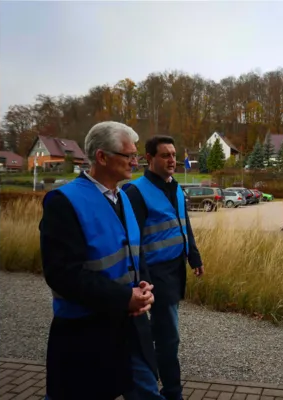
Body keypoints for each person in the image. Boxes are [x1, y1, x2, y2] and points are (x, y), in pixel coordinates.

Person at [40, 121, 165, 400]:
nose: (135, 161)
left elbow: (135, 252)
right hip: (86, 333)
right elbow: (62, 273)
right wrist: (124, 297)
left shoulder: (124, 198)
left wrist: (144, 290)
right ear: (102, 157)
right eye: (128, 155)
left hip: (131, 326)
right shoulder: (64, 202)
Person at [123, 135, 204, 400]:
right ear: (149, 158)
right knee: (168, 338)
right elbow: (132, 242)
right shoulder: (135, 192)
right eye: (165, 155)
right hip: (154, 276)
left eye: (174, 155)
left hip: (176, 270)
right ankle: (171, 392)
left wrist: (194, 257)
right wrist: (144, 280)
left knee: (164, 335)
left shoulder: (176, 188)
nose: (172, 160)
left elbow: (184, 225)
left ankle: (154, 385)